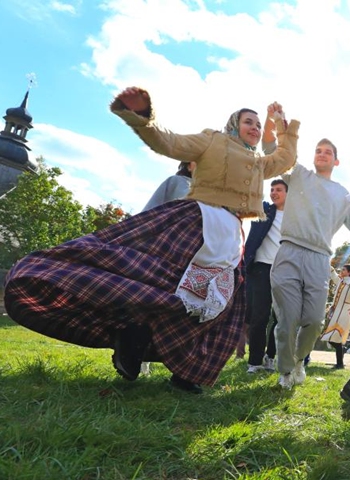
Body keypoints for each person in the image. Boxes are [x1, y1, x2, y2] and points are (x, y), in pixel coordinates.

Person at [3, 86, 300, 394]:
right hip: (196, 222)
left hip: (231, 237)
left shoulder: (259, 163)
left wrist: (280, 125)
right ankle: (132, 334)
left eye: (256, 123)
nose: (254, 127)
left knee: (218, 306)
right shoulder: (212, 140)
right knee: (158, 283)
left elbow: (285, 157)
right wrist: (143, 118)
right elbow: (168, 142)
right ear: (233, 124)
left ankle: (183, 370)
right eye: (247, 121)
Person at [271, 138, 350, 390]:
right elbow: (274, 154)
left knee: (313, 320)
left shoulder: (343, 195)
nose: (322, 155)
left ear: (336, 161)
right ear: (313, 157)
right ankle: (285, 371)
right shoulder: (299, 174)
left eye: (328, 152)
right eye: (318, 151)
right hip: (289, 251)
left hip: (319, 258)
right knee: (288, 318)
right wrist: (273, 129)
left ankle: (300, 360)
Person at [139, 160, 197, 376]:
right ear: (190, 165)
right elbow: (149, 213)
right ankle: (140, 355)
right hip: (165, 254)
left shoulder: (215, 194)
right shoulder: (176, 183)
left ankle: (181, 367)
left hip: (194, 259)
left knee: (184, 309)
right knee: (153, 305)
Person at [242, 178, 288, 374]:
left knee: (280, 318)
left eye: (279, 190)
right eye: (272, 189)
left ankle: (271, 357)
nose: (274, 193)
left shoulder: (295, 217)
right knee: (259, 317)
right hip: (260, 268)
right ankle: (254, 361)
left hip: (284, 271)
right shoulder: (264, 210)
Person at [320, 264, 350, 369]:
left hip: (345, 312)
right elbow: (333, 275)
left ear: (349, 272)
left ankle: (340, 362)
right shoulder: (341, 281)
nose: (342, 270)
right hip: (335, 312)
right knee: (332, 338)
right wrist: (326, 261)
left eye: (344, 270)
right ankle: (341, 357)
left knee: (335, 337)